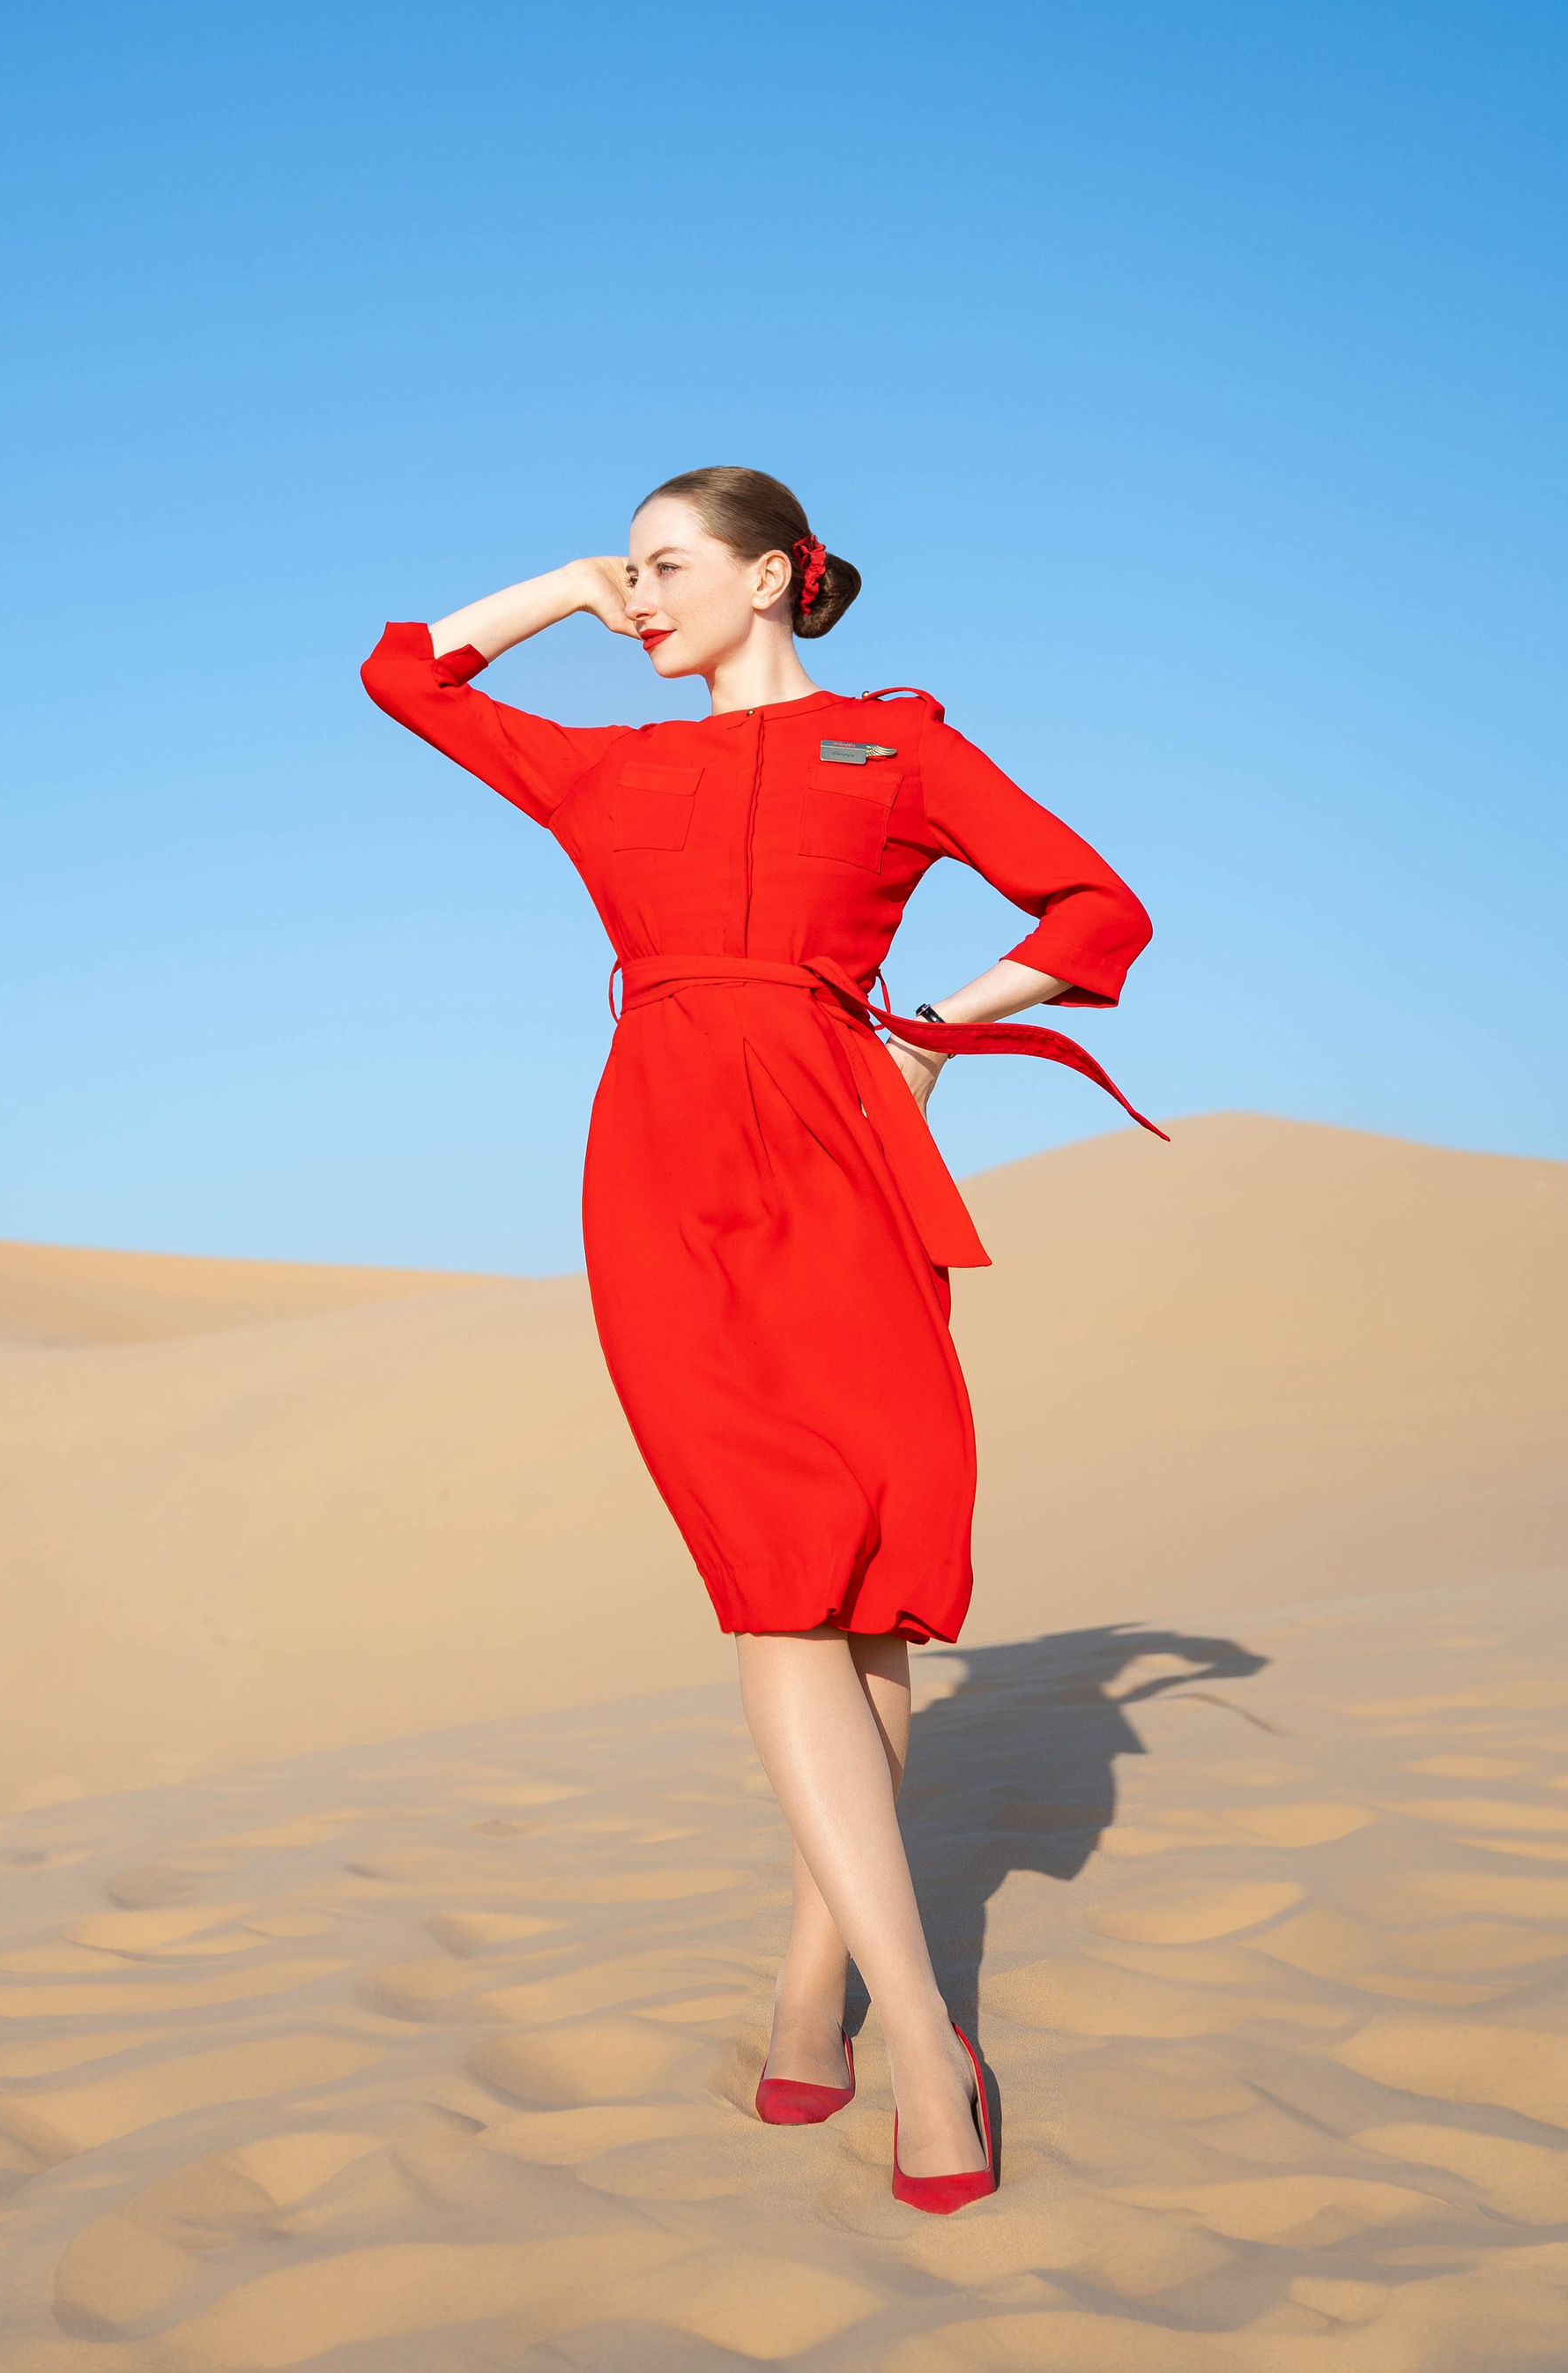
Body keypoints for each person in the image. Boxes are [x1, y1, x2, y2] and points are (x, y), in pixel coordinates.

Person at [361, 465, 1156, 2212]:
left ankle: (812, 1988)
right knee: (776, 1571)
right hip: (664, 1177)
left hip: (841, 1159)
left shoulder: (897, 749)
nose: (642, 599)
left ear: (777, 575)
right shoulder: (603, 767)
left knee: (864, 1577)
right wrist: (562, 586)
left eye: (667, 567)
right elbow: (405, 675)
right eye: (632, 573)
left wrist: (933, 1029)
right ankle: (926, 2039)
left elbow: (1095, 909)